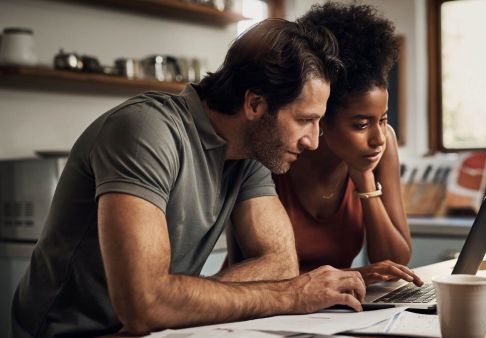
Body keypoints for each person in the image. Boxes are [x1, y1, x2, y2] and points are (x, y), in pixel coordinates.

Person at [11, 19, 367, 338]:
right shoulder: (146, 131)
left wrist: (174, 302)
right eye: (305, 120)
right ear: (255, 105)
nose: (315, 141)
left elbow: (280, 264)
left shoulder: (252, 151)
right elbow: (146, 303)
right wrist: (290, 295)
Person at [227, 3, 423, 287]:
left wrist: (365, 180)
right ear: (321, 117)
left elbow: (396, 261)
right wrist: (351, 276)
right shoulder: (274, 150)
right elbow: (248, 272)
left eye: (383, 119)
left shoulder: (381, 147)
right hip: (260, 310)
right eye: (360, 124)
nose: (378, 138)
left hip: (331, 311)